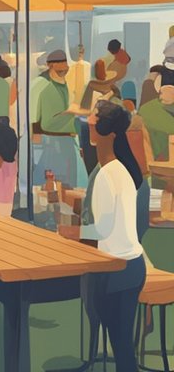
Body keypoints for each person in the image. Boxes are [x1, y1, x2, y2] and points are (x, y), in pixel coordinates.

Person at [79, 101, 146, 372]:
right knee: (122, 346)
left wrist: (71, 233)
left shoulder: (108, 174)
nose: (90, 124)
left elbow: (101, 230)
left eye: (94, 120)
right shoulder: (119, 170)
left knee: (121, 347)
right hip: (129, 267)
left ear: (107, 133)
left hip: (116, 270)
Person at [33, 49, 88, 187]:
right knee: (57, 184)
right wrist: (71, 112)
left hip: (65, 141)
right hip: (53, 141)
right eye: (60, 70)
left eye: (65, 69)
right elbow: (47, 122)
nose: (64, 72)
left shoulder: (62, 84)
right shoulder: (44, 85)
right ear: (51, 66)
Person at [84, 39, 131, 108]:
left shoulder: (115, 63)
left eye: (110, 50)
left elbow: (108, 76)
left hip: (109, 83)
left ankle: (85, 107)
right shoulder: (123, 56)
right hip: (113, 81)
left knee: (90, 84)